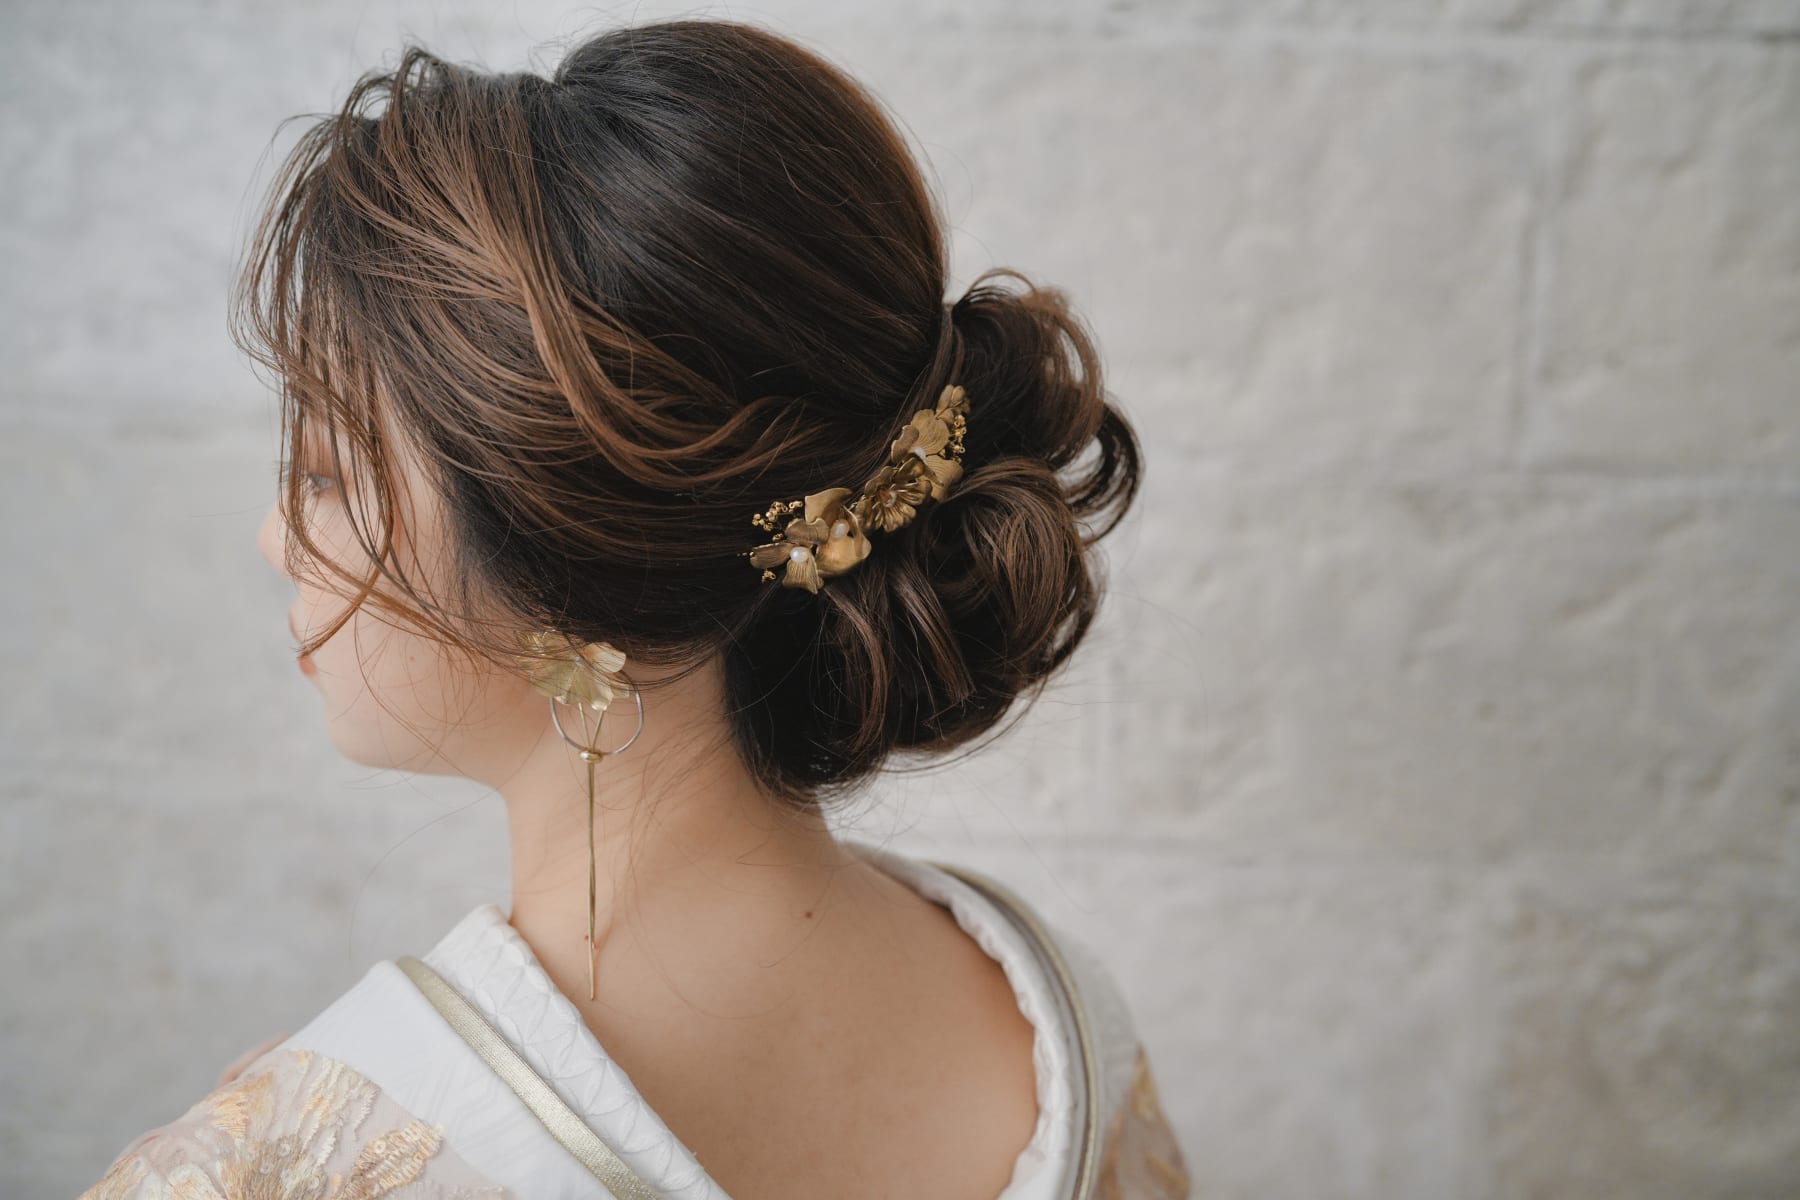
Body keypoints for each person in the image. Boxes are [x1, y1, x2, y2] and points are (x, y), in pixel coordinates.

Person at [80, 17, 1189, 1200]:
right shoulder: (1068, 1032)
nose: (276, 538)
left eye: (326, 475)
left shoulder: (299, 1158)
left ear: (563, 541)